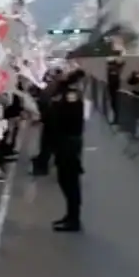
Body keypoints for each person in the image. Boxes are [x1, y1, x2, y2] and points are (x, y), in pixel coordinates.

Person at [53, 69, 87, 232]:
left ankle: (74, 218)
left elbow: (69, 116)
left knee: (70, 181)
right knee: (63, 178)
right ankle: (70, 214)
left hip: (69, 141)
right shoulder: (66, 92)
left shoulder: (71, 94)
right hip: (64, 140)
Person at [105, 58, 124, 123]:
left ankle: (117, 119)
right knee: (114, 105)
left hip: (114, 90)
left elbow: (122, 63)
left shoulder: (114, 70)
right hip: (113, 89)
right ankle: (116, 119)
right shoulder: (112, 69)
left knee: (115, 105)